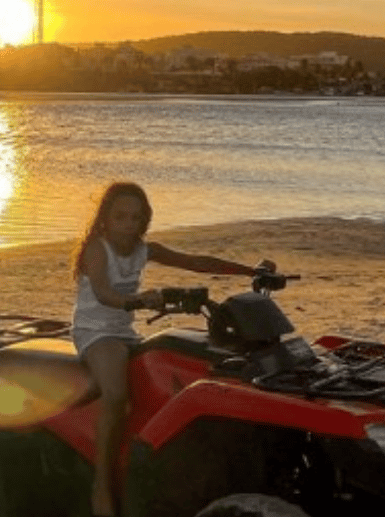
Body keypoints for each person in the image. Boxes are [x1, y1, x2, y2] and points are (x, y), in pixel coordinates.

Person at [71, 181, 273, 517]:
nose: (128, 224)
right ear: (105, 218)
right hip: (95, 332)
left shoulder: (145, 249)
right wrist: (136, 299)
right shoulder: (97, 247)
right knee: (117, 397)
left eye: (136, 218)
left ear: (144, 221)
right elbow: (105, 293)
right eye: (120, 217)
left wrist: (252, 271)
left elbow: (195, 261)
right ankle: (102, 481)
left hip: (126, 330)